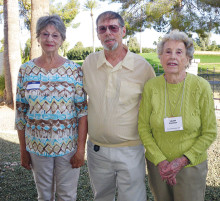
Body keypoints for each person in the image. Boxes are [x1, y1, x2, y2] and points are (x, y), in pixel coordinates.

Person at [82, 11, 155, 201]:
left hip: (130, 150)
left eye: (113, 28)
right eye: (102, 29)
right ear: (98, 34)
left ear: (123, 31)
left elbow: (154, 109)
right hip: (97, 151)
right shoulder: (89, 64)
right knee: (101, 197)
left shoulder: (143, 67)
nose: (108, 33)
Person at [138, 29, 217, 201]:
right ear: (161, 57)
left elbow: (210, 132)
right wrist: (161, 161)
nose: (172, 57)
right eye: (167, 52)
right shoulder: (151, 87)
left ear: (187, 59)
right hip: (158, 167)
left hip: (191, 167)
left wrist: (181, 161)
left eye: (179, 52)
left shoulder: (201, 86)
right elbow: (143, 127)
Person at [15, 15, 88, 201]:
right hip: (37, 147)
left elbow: (82, 112)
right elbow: (21, 114)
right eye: (45, 34)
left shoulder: (74, 70)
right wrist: (23, 150)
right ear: (37, 38)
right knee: (44, 196)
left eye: (55, 35)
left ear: (62, 39)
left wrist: (80, 149)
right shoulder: (26, 70)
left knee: (67, 196)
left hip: (68, 147)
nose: (49, 39)